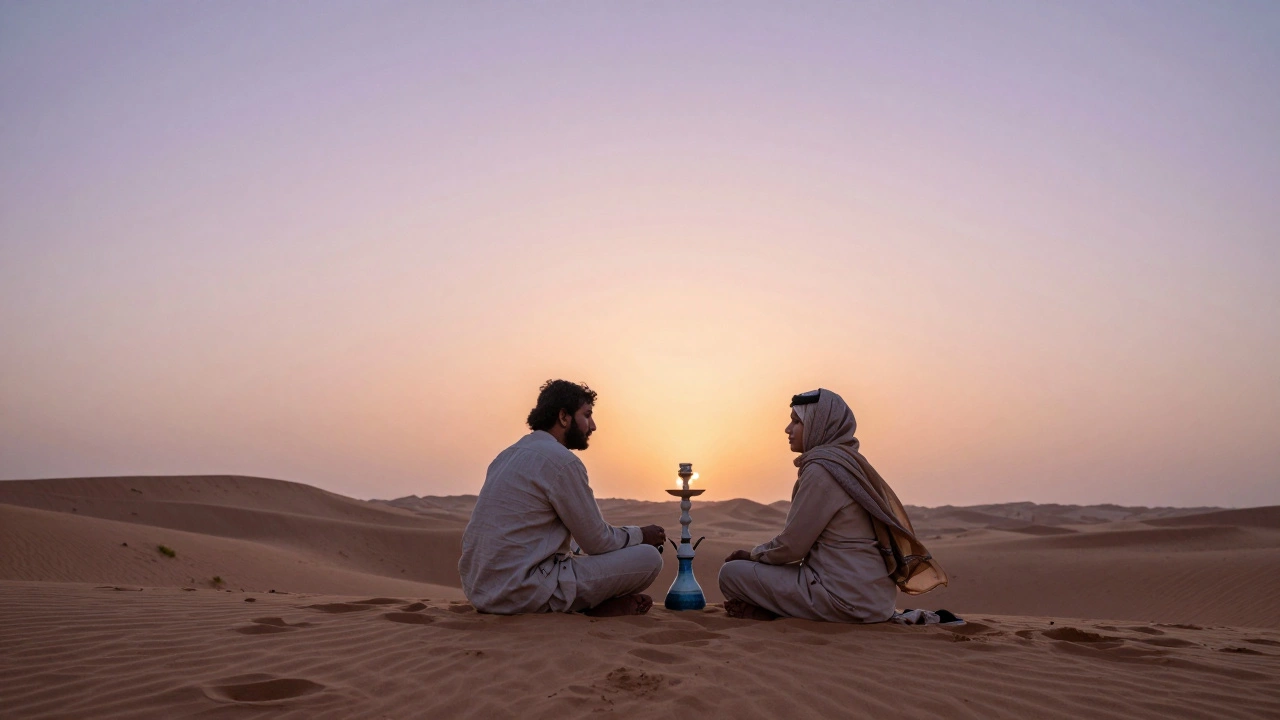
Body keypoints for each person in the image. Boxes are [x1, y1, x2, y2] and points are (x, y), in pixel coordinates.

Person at [718, 388, 947, 622]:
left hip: (844, 600)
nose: (788, 429)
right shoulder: (850, 464)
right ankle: (777, 611)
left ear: (819, 425)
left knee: (731, 573)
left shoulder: (822, 471)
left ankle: (777, 615)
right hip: (876, 602)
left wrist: (753, 555)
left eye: (797, 421)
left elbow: (793, 547)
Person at [459, 380, 666, 616]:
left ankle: (591, 604)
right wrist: (641, 535)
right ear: (563, 417)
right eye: (587, 415)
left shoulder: (506, 456)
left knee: (574, 548)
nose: (593, 426)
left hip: (481, 592)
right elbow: (597, 542)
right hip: (521, 592)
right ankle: (586, 606)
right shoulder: (562, 461)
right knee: (649, 558)